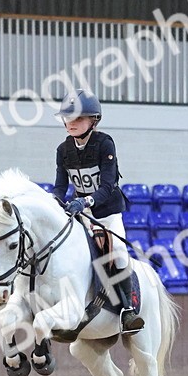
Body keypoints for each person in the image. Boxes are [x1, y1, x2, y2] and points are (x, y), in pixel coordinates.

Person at [54, 89, 144, 334]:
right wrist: (54, 201)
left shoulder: (105, 143)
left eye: (77, 119)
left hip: (107, 212)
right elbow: (61, 185)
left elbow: (107, 186)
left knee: (119, 252)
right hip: (81, 213)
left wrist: (84, 202)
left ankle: (128, 310)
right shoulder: (63, 150)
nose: (71, 124)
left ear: (93, 120)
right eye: (68, 119)